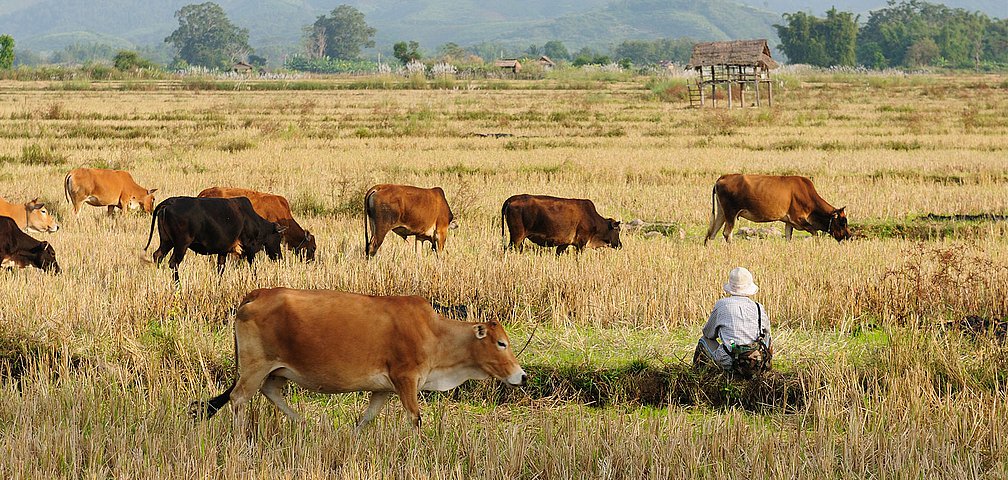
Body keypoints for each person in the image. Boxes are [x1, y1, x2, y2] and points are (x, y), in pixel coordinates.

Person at [693, 267, 772, 378]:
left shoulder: (722, 305)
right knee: (768, 337)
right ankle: (764, 370)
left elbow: (708, 334)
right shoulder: (758, 307)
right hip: (756, 361)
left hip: (730, 362)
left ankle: (698, 377)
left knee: (703, 340)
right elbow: (767, 331)